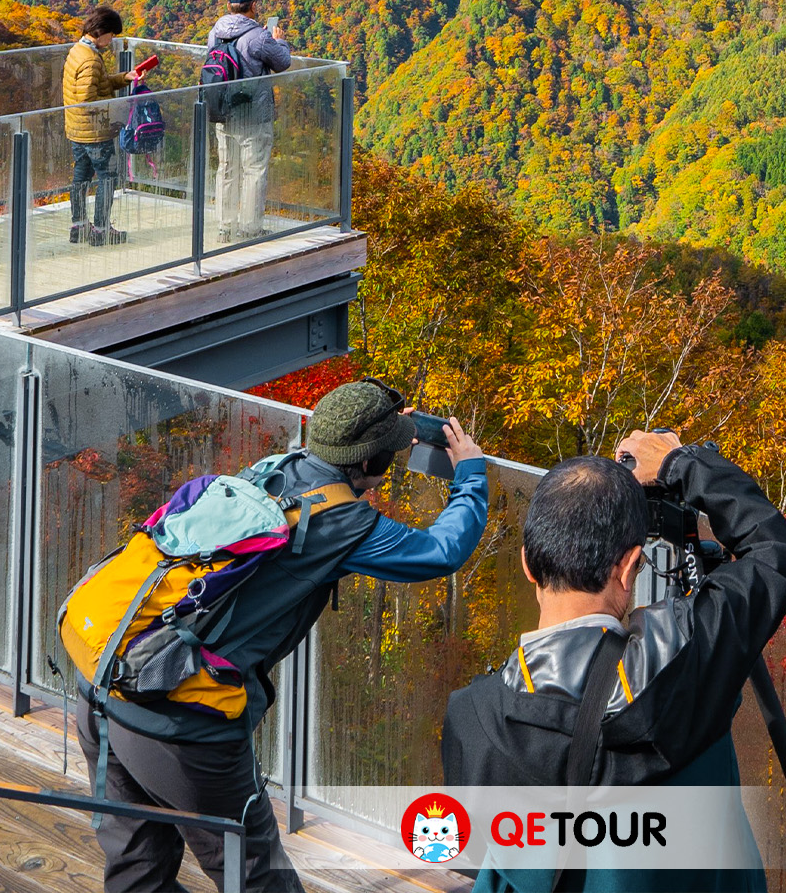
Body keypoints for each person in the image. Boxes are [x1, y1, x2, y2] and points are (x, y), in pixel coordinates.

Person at [78, 378, 491, 893]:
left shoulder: (273, 469)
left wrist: (377, 426)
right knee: (258, 878)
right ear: (371, 461)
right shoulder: (341, 520)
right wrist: (471, 473)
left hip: (105, 680)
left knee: (138, 870)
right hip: (180, 725)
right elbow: (442, 551)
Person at [441, 432, 786, 893]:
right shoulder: (685, 664)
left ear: (528, 565)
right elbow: (777, 554)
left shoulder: (471, 716)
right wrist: (680, 464)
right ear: (630, 566)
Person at [205, 0, 292, 241]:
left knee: (227, 169)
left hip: (223, 112)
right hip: (253, 114)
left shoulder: (216, 32)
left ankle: (225, 226)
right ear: (253, 5)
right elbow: (282, 62)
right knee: (254, 170)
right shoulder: (259, 37)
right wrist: (279, 41)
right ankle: (251, 228)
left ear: (229, 6)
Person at [65, 6, 132, 245]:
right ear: (101, 32)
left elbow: (95, 86)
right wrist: (118, 108)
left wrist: (124, 78)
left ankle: (79, 225)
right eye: (111, 35)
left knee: (81, 176)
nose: (111, 40)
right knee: (107, 177)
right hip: (94, 132)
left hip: (77, 129)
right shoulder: (91, 60)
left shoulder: (77, 50)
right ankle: (102, 230)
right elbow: (87, 100)